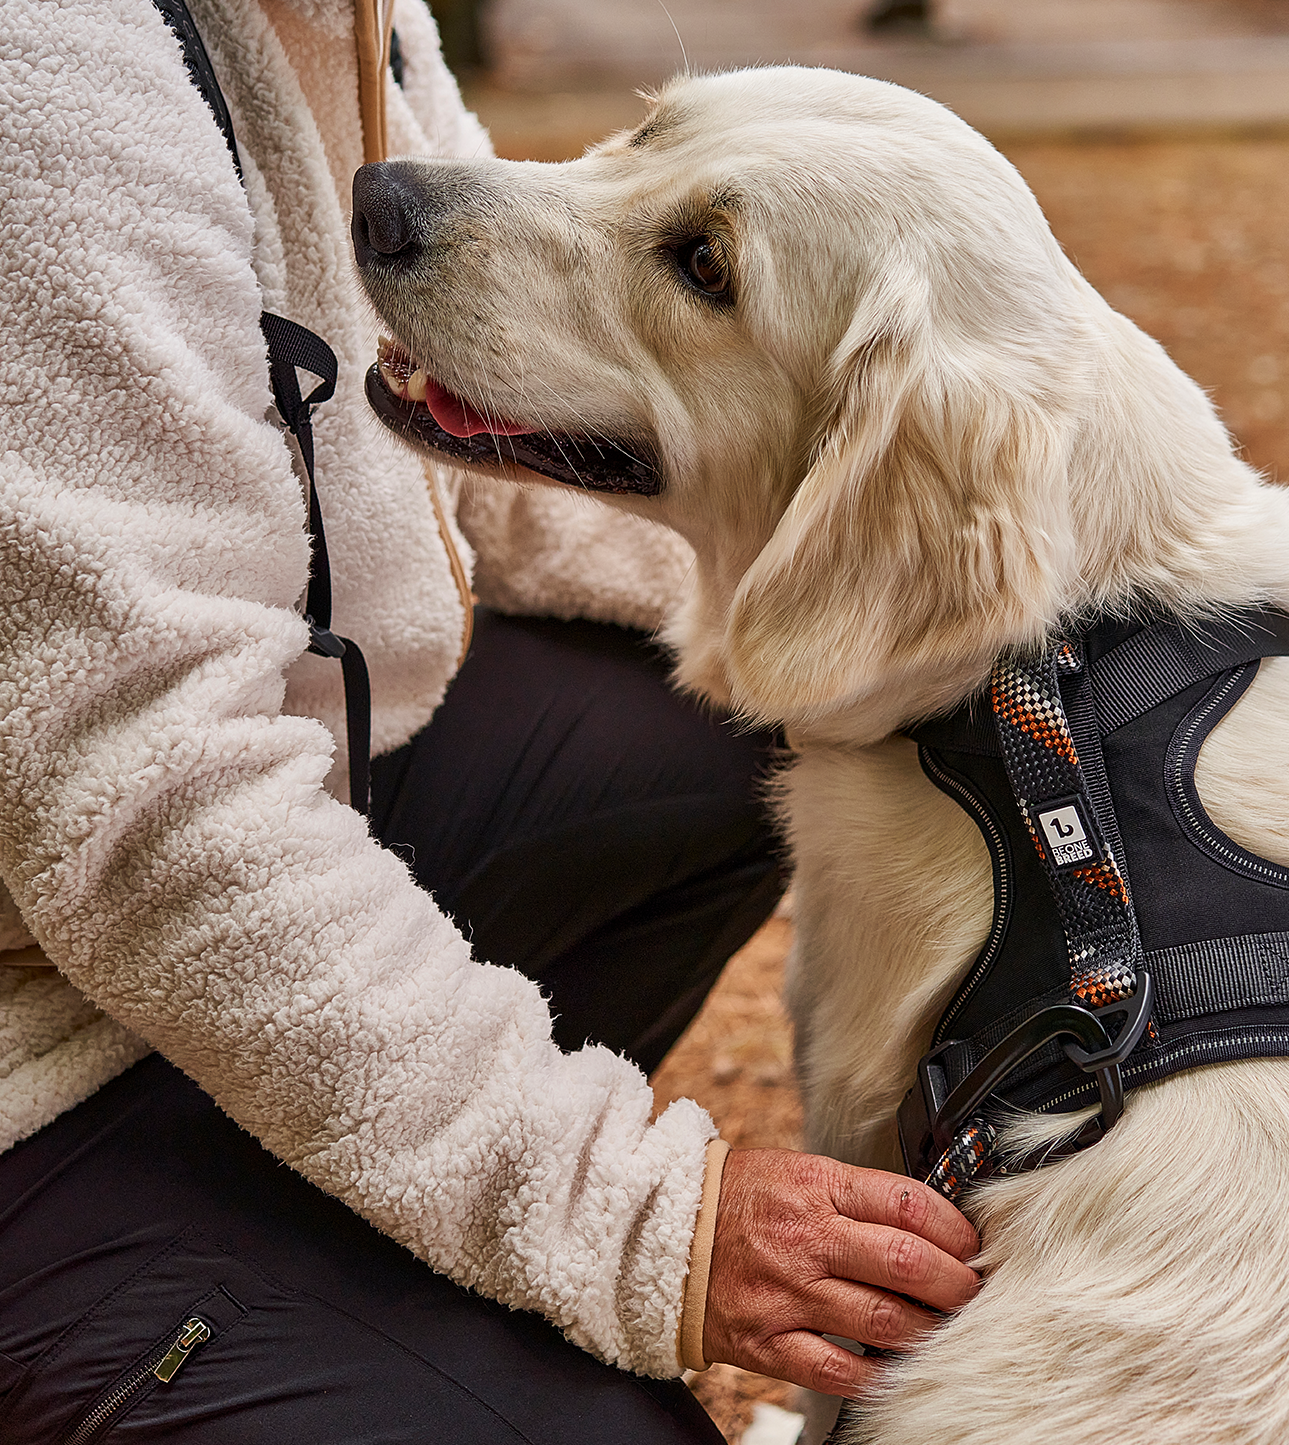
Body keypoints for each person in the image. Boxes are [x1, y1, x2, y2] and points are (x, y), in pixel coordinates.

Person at [0, 1, 979, 1440]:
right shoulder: (50, 90)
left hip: (158, 919)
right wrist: (641, 1221)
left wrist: (927, 648)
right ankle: (249, 1268)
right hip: (41, 1059)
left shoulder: (332, 14)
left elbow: (479, 428)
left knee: (743, 715)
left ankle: (371, 1192)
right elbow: (143, 806)